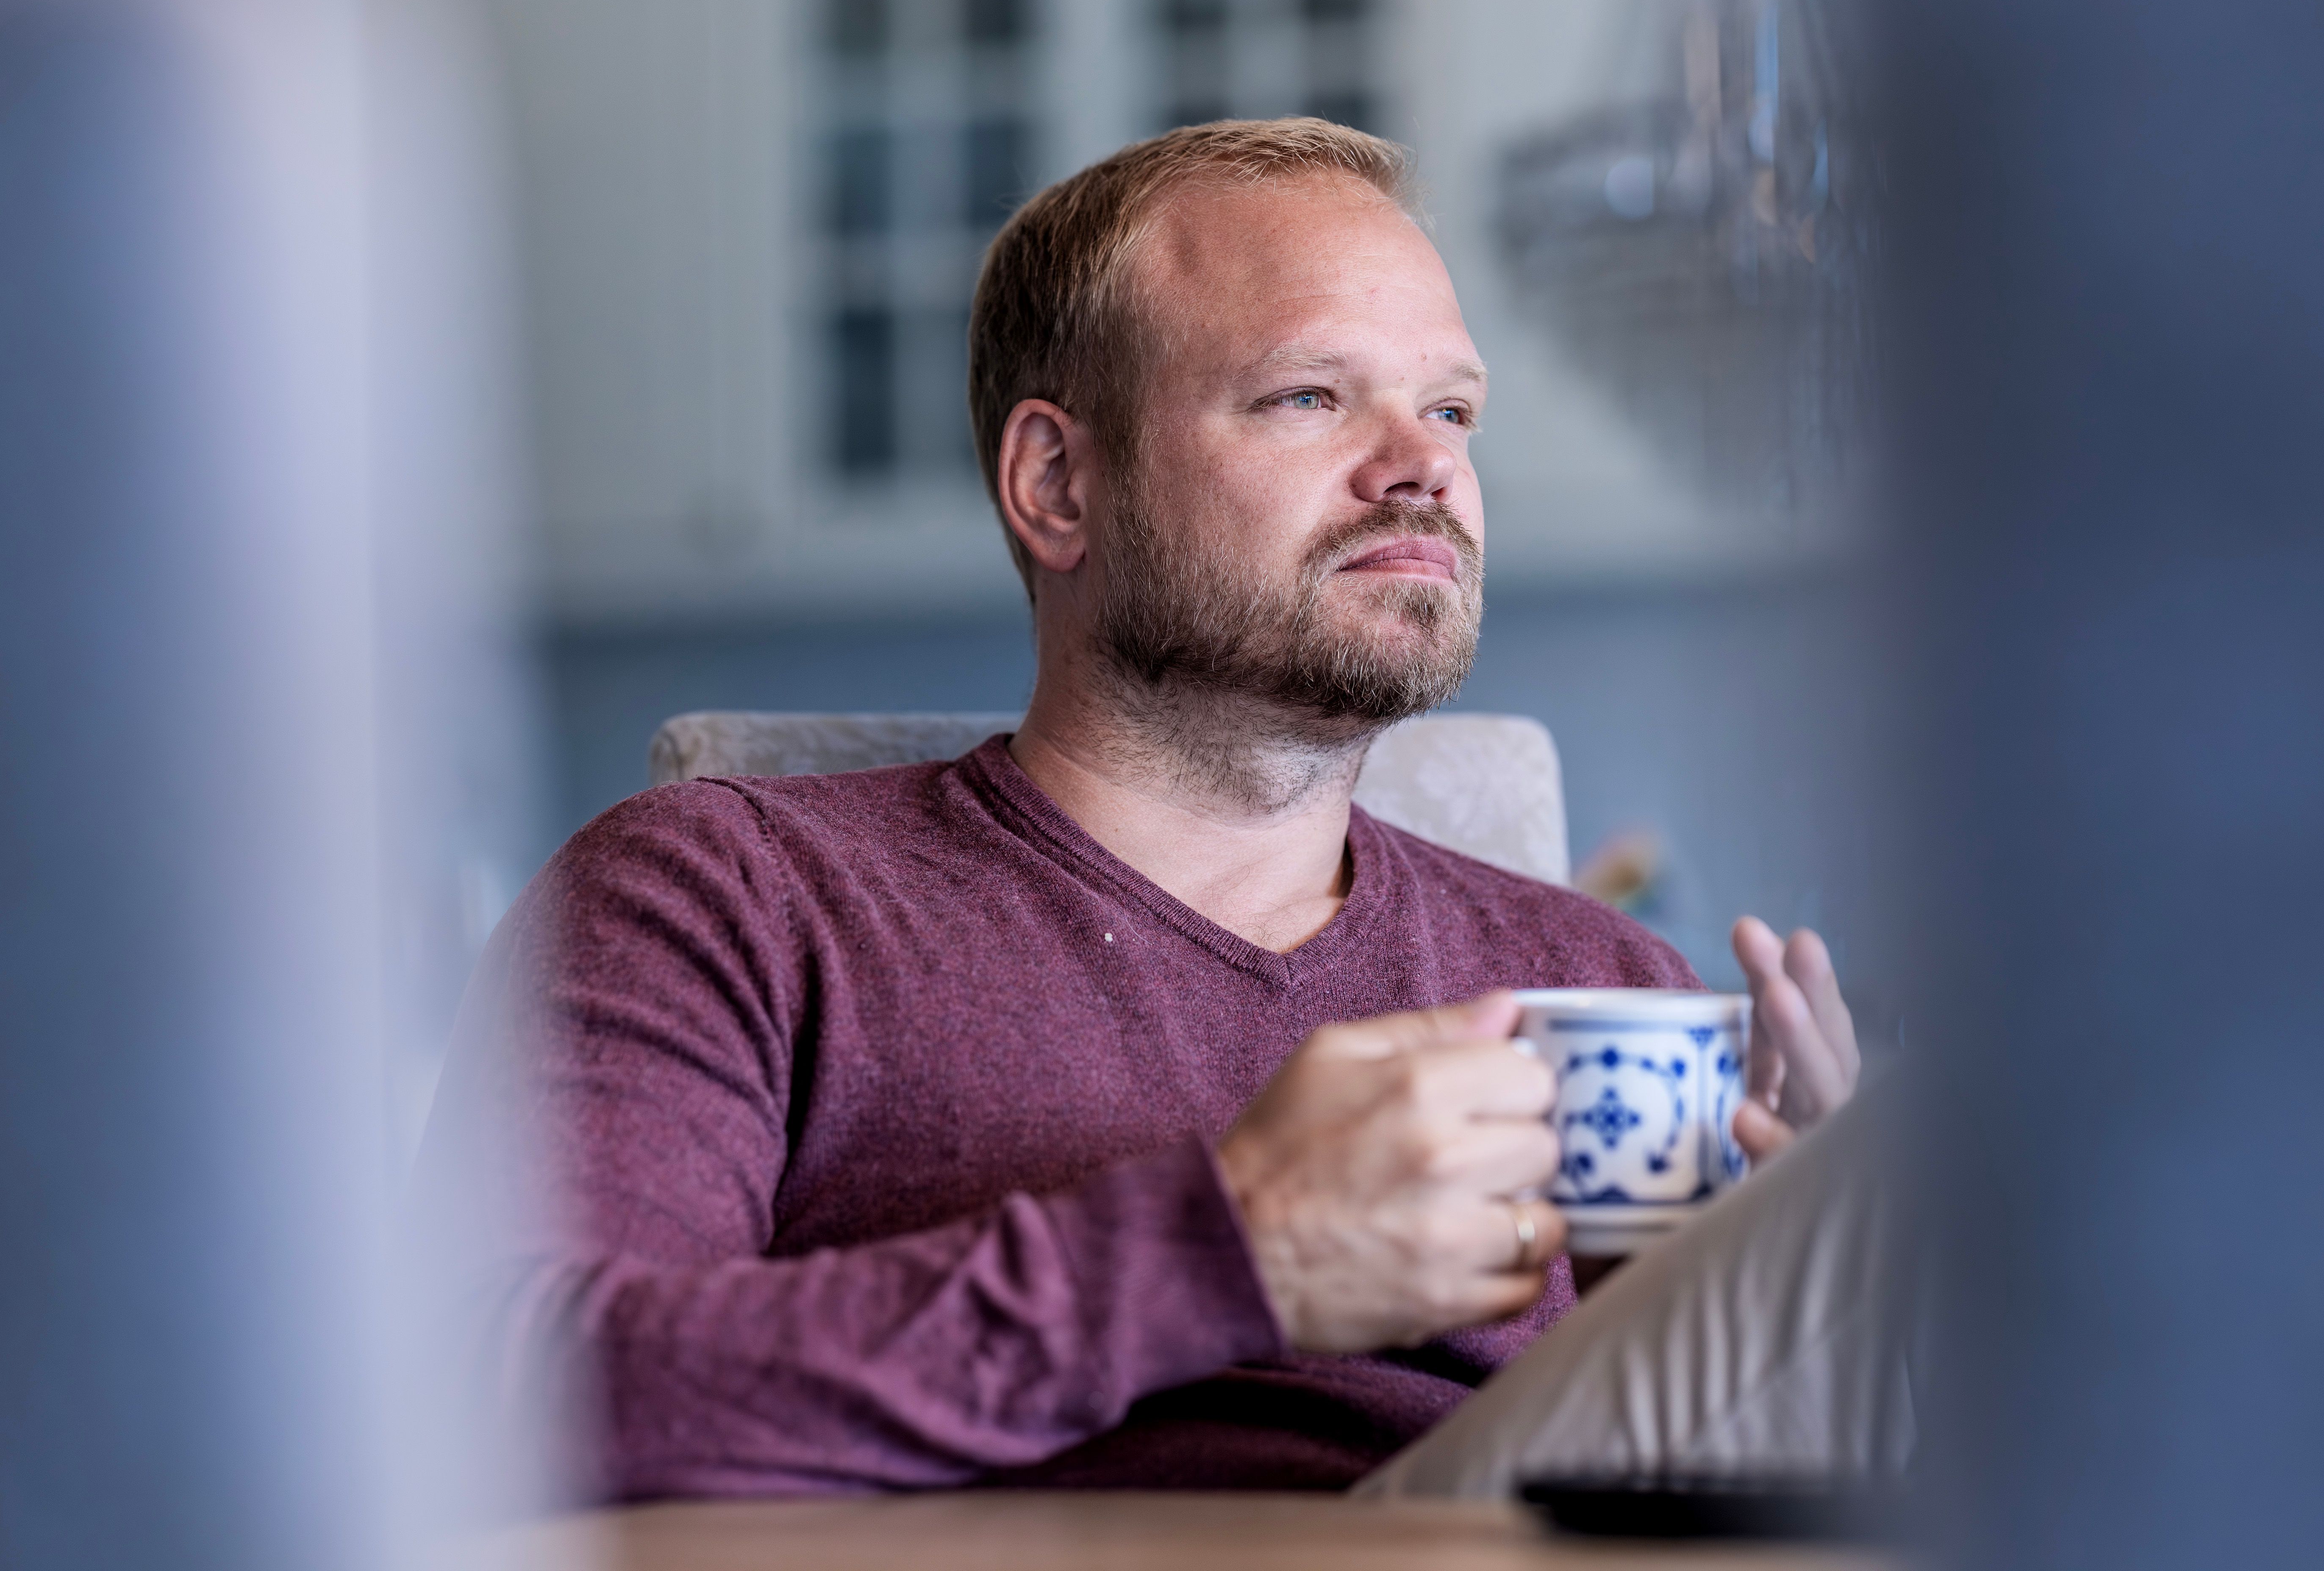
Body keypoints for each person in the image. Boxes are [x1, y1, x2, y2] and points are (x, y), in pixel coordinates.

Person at [419, 119, 1906, 1502]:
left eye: (1452, 409)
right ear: (1058, 484)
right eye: (1310, 397)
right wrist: (1231, 1252)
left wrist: (1814, 1302)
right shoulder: (725, 899)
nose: (1427, 470)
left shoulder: (1605, 982)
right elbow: (491, 1395)